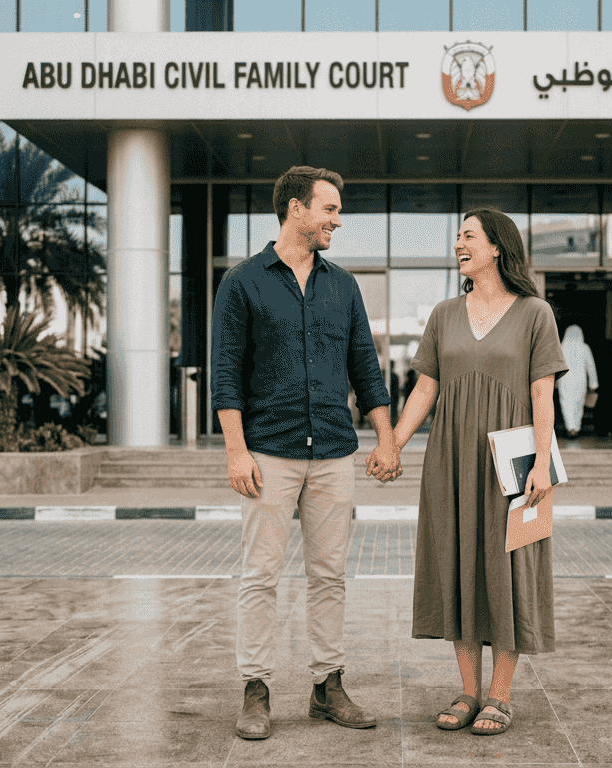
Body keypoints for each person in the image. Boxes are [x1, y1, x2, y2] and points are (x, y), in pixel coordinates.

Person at [210, 166, 403, 740]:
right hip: (268, 452)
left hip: (334, 454)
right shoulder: (243, 282)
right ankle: (255, 688)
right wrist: (236, 452)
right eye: (330, 210)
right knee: (260, 575)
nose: (336, 221)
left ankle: (327, 685)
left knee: (329, 576)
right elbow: (226, 375)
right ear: (296, 209)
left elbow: (366, 368)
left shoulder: (342, 286)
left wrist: (386, 438)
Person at [391, 208, 567, 735]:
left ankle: (501, 694)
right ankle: (469, 690)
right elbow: (425, 387)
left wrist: (542, 461)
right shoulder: (444, 313)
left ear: (496, 248)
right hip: (451, 458)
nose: (458, 244)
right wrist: (392, 445)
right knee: (459, 564)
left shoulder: (536, 313)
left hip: (512, 464)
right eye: (458, 237)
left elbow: (543, 392)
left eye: (468, 236)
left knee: (509, 571)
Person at [557, 324, 598, 438]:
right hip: (580, 381)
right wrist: (593, 383)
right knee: (578, 404)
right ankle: (576, 427)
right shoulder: (585, 348)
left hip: (564, 380)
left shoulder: (561, 347)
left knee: (566, 403)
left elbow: (556, 366)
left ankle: (570, 428)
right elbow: (591, 367)